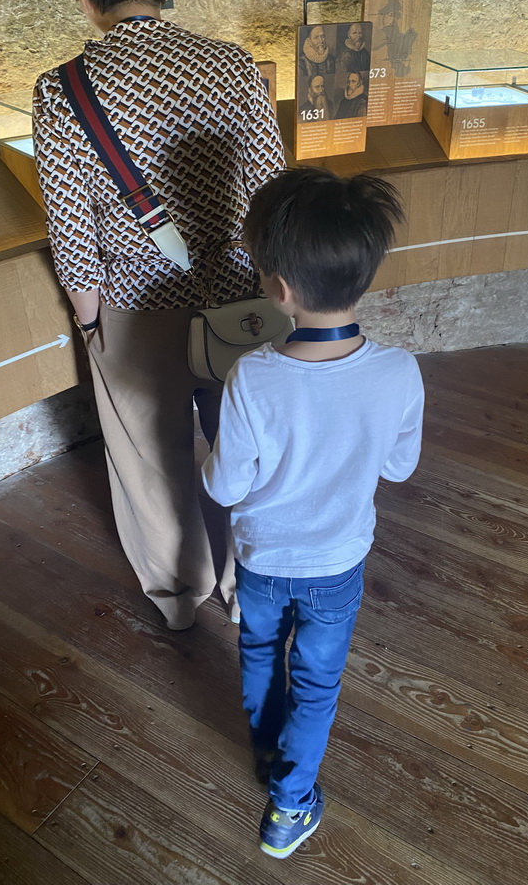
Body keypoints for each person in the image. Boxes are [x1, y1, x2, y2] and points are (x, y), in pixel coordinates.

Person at [33, 0, 285, 631]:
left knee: (152, 462)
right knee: (251, 445)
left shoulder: (62, 93)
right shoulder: (234, 67)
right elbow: (272, 199)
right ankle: (253, 582)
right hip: (241, 291)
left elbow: (73, 238)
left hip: (138, 309)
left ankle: (183, 593)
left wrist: (91, 327)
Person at [202, 168, 424, 858]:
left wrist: (205, 444)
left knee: (261, 655)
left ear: (279, 288)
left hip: (264, 564)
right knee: (318, 685)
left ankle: (269, 757)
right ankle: (289, 806)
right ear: (365, 272)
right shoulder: (399, 372)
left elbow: (223, 486)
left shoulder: (253, 378)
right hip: (337, 567)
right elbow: (398, 467)